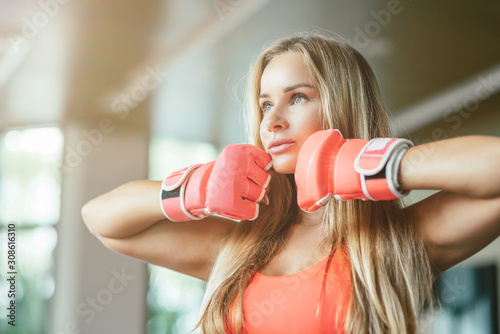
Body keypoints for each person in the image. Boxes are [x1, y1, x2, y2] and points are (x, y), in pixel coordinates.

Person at [81, 34, 500, 334]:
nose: (272, 121)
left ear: (342, 105)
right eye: (265, 104)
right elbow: (101, 218)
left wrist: (378, 164)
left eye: (297, 97)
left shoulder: (395, 241)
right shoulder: (237, 246)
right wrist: (196, 187)